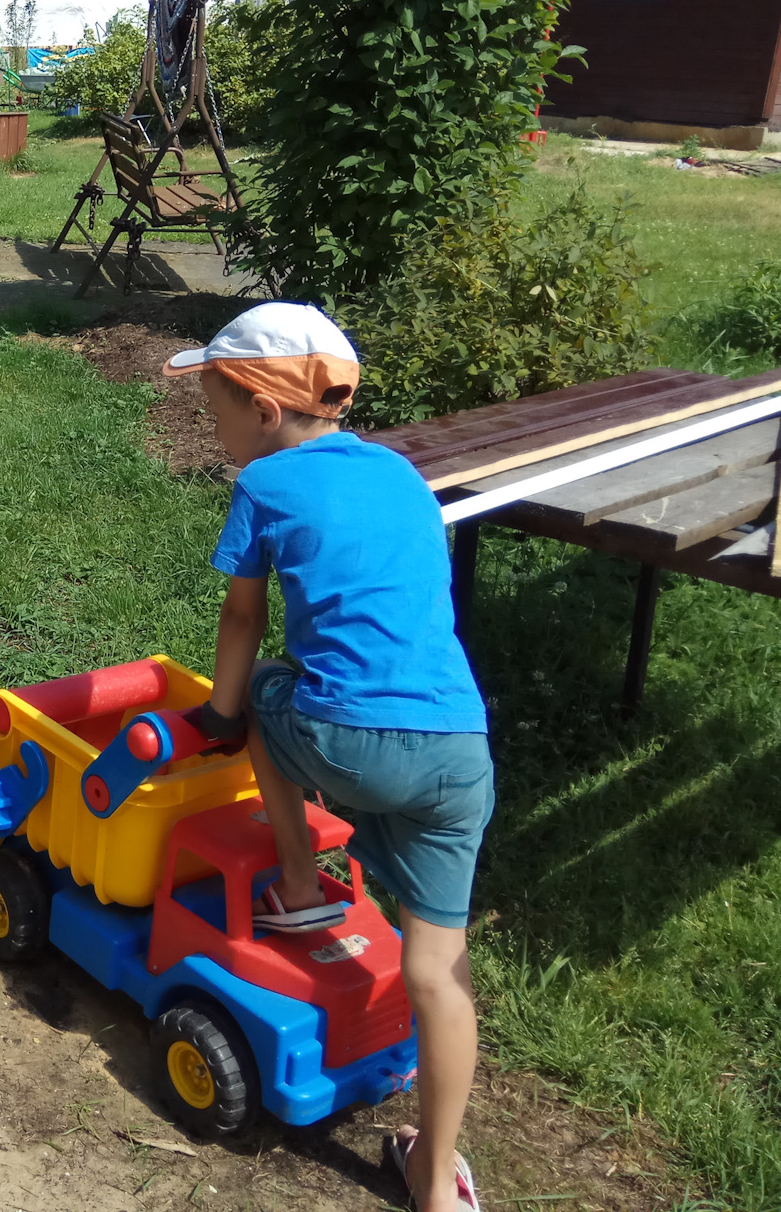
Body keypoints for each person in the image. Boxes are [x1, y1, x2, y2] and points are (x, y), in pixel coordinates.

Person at [165, 303, 492, 1212]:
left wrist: (224, 715)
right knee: (437, 972)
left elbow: (242, 618)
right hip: (461, 749)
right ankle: (436, 1181)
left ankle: (302, 890)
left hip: (350, 740)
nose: (212, 426)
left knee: (270, 690)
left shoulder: (266, 487)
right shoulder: (402, 473)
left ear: (265, 410)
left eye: (216, 409)